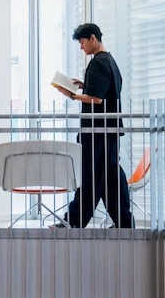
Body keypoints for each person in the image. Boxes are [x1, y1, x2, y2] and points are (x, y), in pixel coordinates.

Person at [54, 23, 133, 228]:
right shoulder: (110, 62)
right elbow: (106, 90)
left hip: (96, 131)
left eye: (82, 42)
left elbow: (97, 99)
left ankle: (72, 222)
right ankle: (125, 224)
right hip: (110, 130)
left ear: (92, 38)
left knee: (90, 177)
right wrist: (84, 85)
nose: (82, 47)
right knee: (110, 178)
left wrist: (71, 94)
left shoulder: (97, 62)